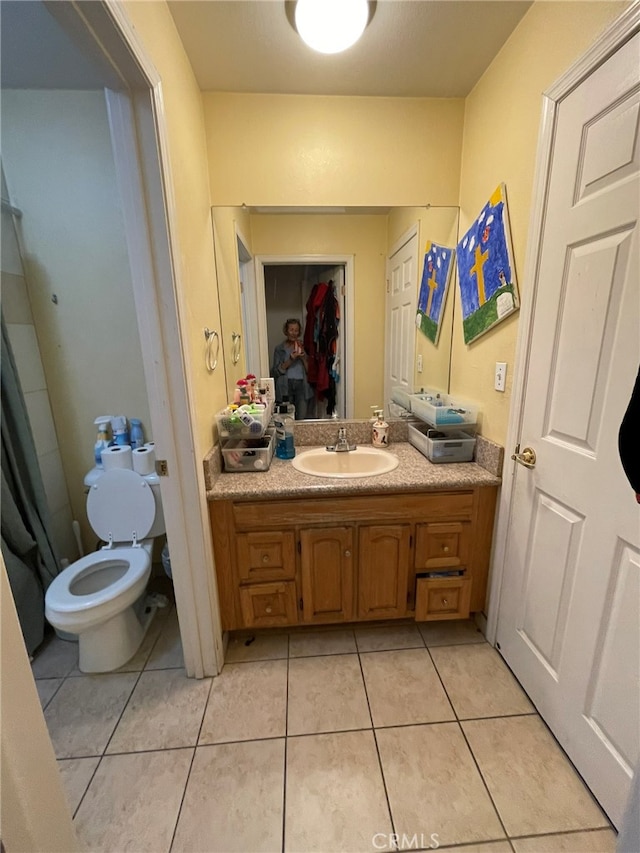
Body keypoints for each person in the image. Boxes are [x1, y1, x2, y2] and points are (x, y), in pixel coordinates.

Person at [271, 318, 313, 419]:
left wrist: (303, 358)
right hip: (285, 386)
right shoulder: (279, 349)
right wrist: (290, 360)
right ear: (286, 331)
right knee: (287, 418)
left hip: (302, 386)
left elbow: (310, 372)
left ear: (299, 332)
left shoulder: (303, 347)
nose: (293, 333)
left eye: (296, 330)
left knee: (302, 418)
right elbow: (275, 372)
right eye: (291, 330)